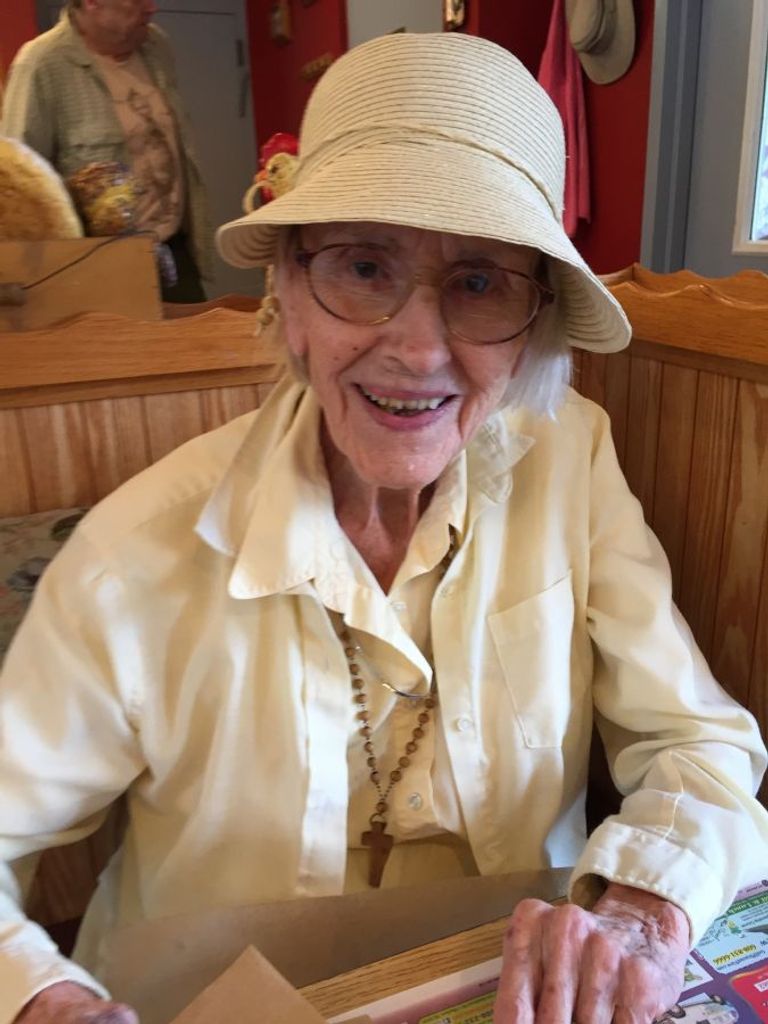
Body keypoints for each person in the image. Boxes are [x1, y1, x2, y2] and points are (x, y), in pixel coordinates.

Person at [2, 30, 767, 1024]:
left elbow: (696, 743)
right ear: (287, 291)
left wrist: (645, 910)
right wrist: (50, 1000)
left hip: (505, 995)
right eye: (365, 267)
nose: (417, 349)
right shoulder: (135, 549)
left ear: (535, 324)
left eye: (480, 282)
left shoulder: (571, 460)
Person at [0, 0, 210, 302]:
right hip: (99, 269)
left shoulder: (156, 44)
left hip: (175, 251)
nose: (151, 7)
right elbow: (17, 189)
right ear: (92, 3)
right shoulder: (41, 63)